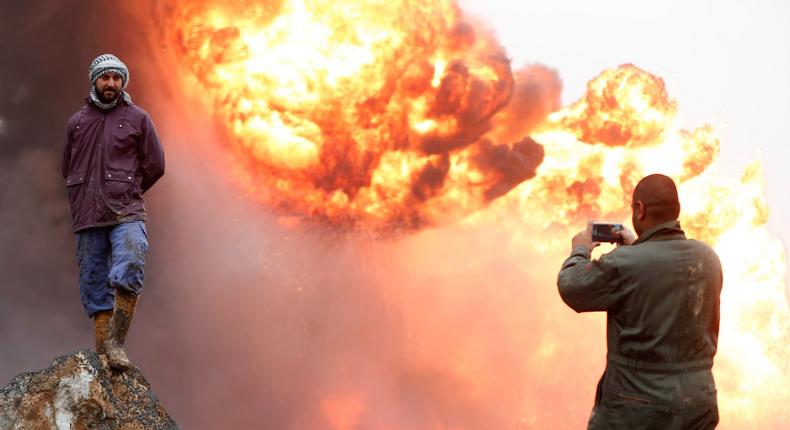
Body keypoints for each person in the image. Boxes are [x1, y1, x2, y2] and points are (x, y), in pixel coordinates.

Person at [557, 174, 722, 429]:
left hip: (637, 405)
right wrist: (637, 248)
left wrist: (581, 248)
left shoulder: (625, 263)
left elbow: (572, 287)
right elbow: (663, 275)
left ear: (640, 209)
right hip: (698, 399)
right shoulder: (708, 257)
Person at [62, 53, 165, 369]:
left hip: (127, 212)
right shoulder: (77, 122)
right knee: (94, 284)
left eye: (117, 78)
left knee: (130, 265)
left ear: (123, 82)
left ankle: (117, 345)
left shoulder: (138, 118)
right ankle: (104, 357)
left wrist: (128, 189)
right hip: (89, 215)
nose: (111, 83)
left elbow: (155, 164)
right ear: (94, 80)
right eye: (105, 77)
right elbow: (67, 166)